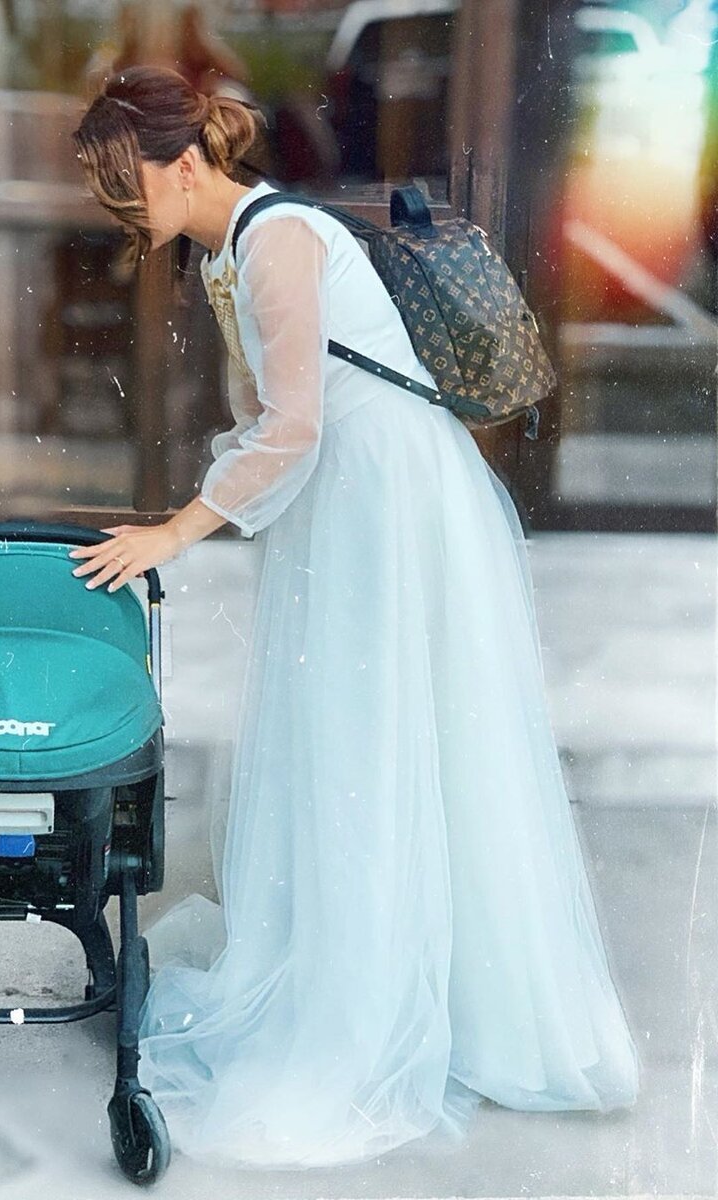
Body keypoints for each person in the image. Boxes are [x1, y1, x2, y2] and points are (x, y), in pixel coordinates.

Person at [68, 65, 641, 1171]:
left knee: (385, 745)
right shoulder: (227, 248)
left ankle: (406, 1008)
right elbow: (269, 420)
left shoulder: (276, 237)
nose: (120, 210)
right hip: (347, 501)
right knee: (356, 744)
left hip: (388, 499)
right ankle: (377, 978)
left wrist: (173, 532)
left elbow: (291, 429)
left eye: (126, 184)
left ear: (182, 164)